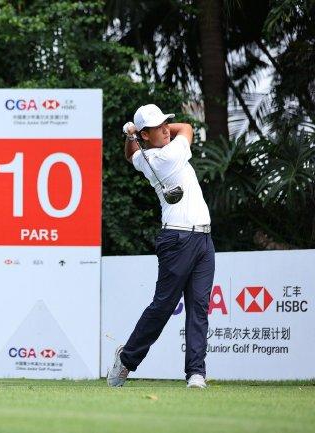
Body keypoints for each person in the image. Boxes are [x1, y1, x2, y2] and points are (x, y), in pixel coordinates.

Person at [107, 104, 215, 389]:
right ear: (146, 135)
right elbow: (188, 128)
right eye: (159, 127)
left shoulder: (145, 156)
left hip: (204, 239)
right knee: (163, 306)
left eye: (167, 123)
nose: (168, 128)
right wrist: (137, 135)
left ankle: (196, 373)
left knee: (199, 307)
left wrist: (131, 137)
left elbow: (131, 155)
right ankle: (127, 359)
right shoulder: (168, 156)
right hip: (178, 239)